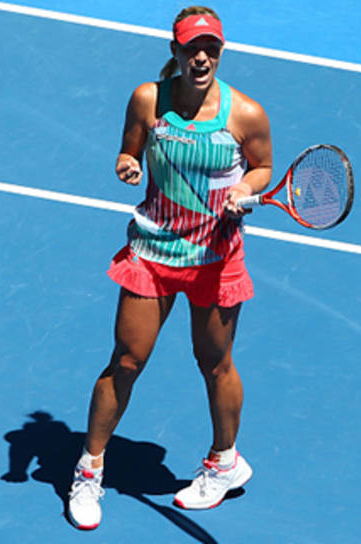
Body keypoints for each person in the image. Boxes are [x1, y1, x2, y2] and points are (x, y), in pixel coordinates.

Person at [67, 6, 273, 530]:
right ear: (175, 51)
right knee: (126, 360)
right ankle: (89, 470)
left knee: (215, 363)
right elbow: (128, 152)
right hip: (154, 252)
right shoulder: (148, 99)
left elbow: (263, 167)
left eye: (211, 49)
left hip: (214, 258)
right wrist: (127, 164)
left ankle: (224, 462)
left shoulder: (245, 114)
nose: (201, 58)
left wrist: (244, 189)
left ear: (221, 52)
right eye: (191, 48)